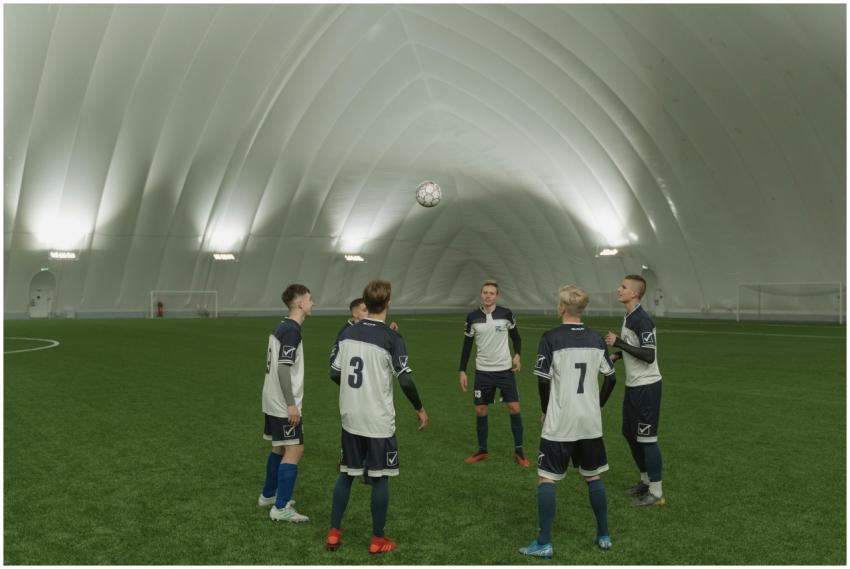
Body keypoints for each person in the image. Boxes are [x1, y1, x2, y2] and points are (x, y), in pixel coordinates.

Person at [326, 280, 429, 554]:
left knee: (347, 474)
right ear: (388, 303)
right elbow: (405, 381)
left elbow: (335, 373)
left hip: (350, 416)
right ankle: (377, 539)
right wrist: (419, 409)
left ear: (365, 302)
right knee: (381, 477)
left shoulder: (347, 334)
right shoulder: (392, 338)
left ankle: (334, 533)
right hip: (377, 420)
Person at [519, 285, 617, 559]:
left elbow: (542, 378)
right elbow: (611, 378)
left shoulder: (550, 337)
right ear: (581, 309)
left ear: (562, 308)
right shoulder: (596, 338)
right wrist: (597, 406)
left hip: (561, 418)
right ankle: (604, 534)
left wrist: (544, 409)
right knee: (593, 475)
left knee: (546, 478)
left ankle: (544, 542)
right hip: (589, 420)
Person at [605, 274, 666, 507]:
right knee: (629, 433)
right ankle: (645, 481)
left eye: (623, 287)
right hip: (633, 386)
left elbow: (649, 355)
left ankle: (657, 492)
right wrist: (618, 355)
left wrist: (618, 342)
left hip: (647, 388)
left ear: (635, 294)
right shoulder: (629, 316)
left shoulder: (642, 319)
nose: (619, 289)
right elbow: (637, 347)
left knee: (647, 438)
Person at [258, 284, 314, 522]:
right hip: (283, 403)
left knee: (278, 447)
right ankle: (280, 508)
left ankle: (268, 495)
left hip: (270, 400)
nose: (313, 303)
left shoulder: (281, 326)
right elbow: (283, 368)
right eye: (310, 299)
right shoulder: (291, 330)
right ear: (300, 303)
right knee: (295, 449)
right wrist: (291, 404)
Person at [458, 280, 526, 465]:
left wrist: (518, 355)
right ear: (481, 294)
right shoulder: (472, 317)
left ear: (497, 296)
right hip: (483, 372)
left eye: (491, 293)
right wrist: (462, 370)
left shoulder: (506, 314)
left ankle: (519, 451)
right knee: (480, 410)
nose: (488, 295)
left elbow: (516, 338)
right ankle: (482, 450)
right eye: (485, 292)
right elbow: (467, 346)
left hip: (505, 370)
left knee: (514, 408)